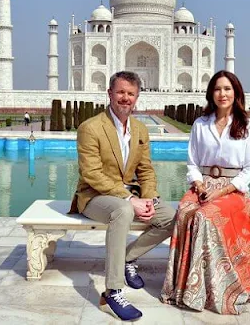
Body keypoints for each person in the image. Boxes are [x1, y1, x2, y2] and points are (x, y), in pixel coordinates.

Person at [69, 71, 176, 321]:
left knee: (173, 218)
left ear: (137, 97)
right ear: (109, 94)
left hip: (130, 193)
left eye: (130, 93)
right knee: (123, 210)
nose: (125, 98)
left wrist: (148, 199)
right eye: (120, 92)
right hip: (95, 196)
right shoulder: (91, 128)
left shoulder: (139, 129)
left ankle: (127, 258)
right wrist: (130, 200)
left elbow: (146, 169)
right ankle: (113, 291)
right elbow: (91, 174)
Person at [160, 70, 250, 315]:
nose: (222, 94)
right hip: (203, 185)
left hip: (233, 191)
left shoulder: (247, 126)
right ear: (211, 93)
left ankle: (214, 288)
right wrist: (200, 184)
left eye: (227, 89)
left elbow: (249, 170)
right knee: (184, 212)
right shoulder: (201, 124)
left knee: (204, 217)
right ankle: (183, 287)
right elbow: (192, 162)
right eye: (217, 89)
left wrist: (222, 190)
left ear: (236, 92)